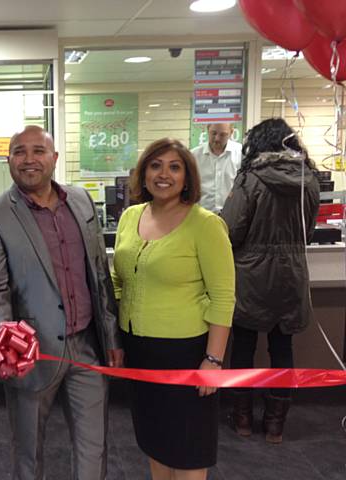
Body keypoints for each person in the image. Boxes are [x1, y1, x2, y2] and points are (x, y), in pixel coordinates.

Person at [0, 125, 123, 480]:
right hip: (33, 354)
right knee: (28, 455)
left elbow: (99, 273)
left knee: (93, 449)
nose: (29, 160)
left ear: (54, 158)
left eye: (38, 151)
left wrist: (112, 337)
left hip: (87, 347)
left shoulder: (81, 200)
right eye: (19, 152)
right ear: (8, 160)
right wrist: (6, 337)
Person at [112, 138, 235, 480]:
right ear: (144, 173)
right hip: (139, 351)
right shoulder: (130, 217)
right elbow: (119, 280)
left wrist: (213, 360)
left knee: (187, 449)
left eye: (174, 167)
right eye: (155, 165)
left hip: (186, 353)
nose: (163, 174)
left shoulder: (205, 224)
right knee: (154, 442)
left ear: (187, 177)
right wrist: (119, 342)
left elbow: (224, 297)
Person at [221, 118, 320, 444]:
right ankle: (276, 425)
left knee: (244, 347)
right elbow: (307, 232)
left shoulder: (250, 179)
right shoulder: (309, 179)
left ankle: (243, 417)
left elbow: (231, 230)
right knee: (282, 348)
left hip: (251, 275)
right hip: (292, 275)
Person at [191, 122, 242, 213]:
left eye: (223, 134)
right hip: (203, 214)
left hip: (233, 214)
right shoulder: (194, 155)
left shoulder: (241, 154)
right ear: (208, 130)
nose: (217, 138)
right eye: (213, 133)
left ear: (231, 133)